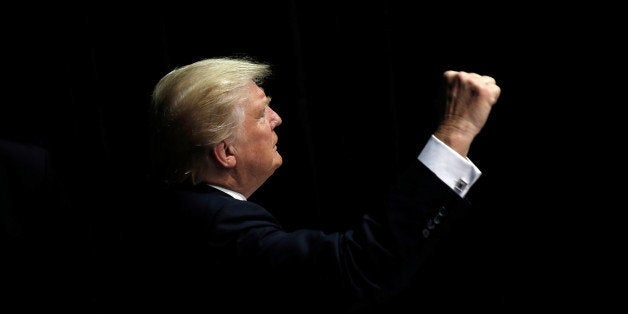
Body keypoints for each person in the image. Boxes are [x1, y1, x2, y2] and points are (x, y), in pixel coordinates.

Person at [119, 57, 501, 313]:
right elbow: (358, 269)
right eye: (260, 112)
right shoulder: (215, 224)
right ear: (226, 152)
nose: (277, 118)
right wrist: (457, 131)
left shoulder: (180, 208)